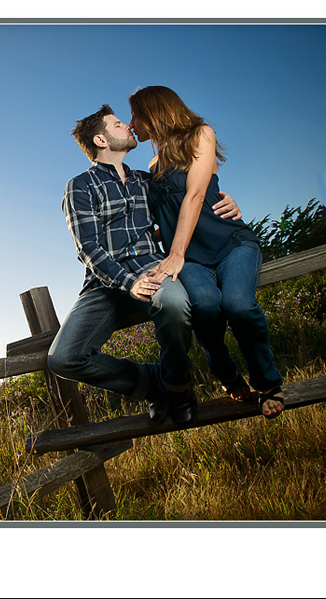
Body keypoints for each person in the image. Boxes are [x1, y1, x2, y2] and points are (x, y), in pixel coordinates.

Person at [47, 104, 242, 427]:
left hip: (151, 266)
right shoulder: (79, 186)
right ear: (101, 140)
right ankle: (153, 383)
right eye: (118, 123)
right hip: (104, 282)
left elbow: (189, 202)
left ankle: (178, 387)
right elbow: (88, 249)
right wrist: (128, 283)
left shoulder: (147, 180)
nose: (128, 126)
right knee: (63, 358)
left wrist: (224, 200)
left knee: (176, 303)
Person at [127, 85, 285, 419]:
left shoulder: (200, 134)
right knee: (205, 307)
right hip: (190, 258)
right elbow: (167, 217)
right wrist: (159, 242)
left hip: (229, 244)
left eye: (135, 116)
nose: (131, 124)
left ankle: (268, 383)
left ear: (153, 113)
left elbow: (197, 195)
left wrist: (176, 252)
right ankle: (226, 373)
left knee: (239, 305)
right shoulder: (152, 166)